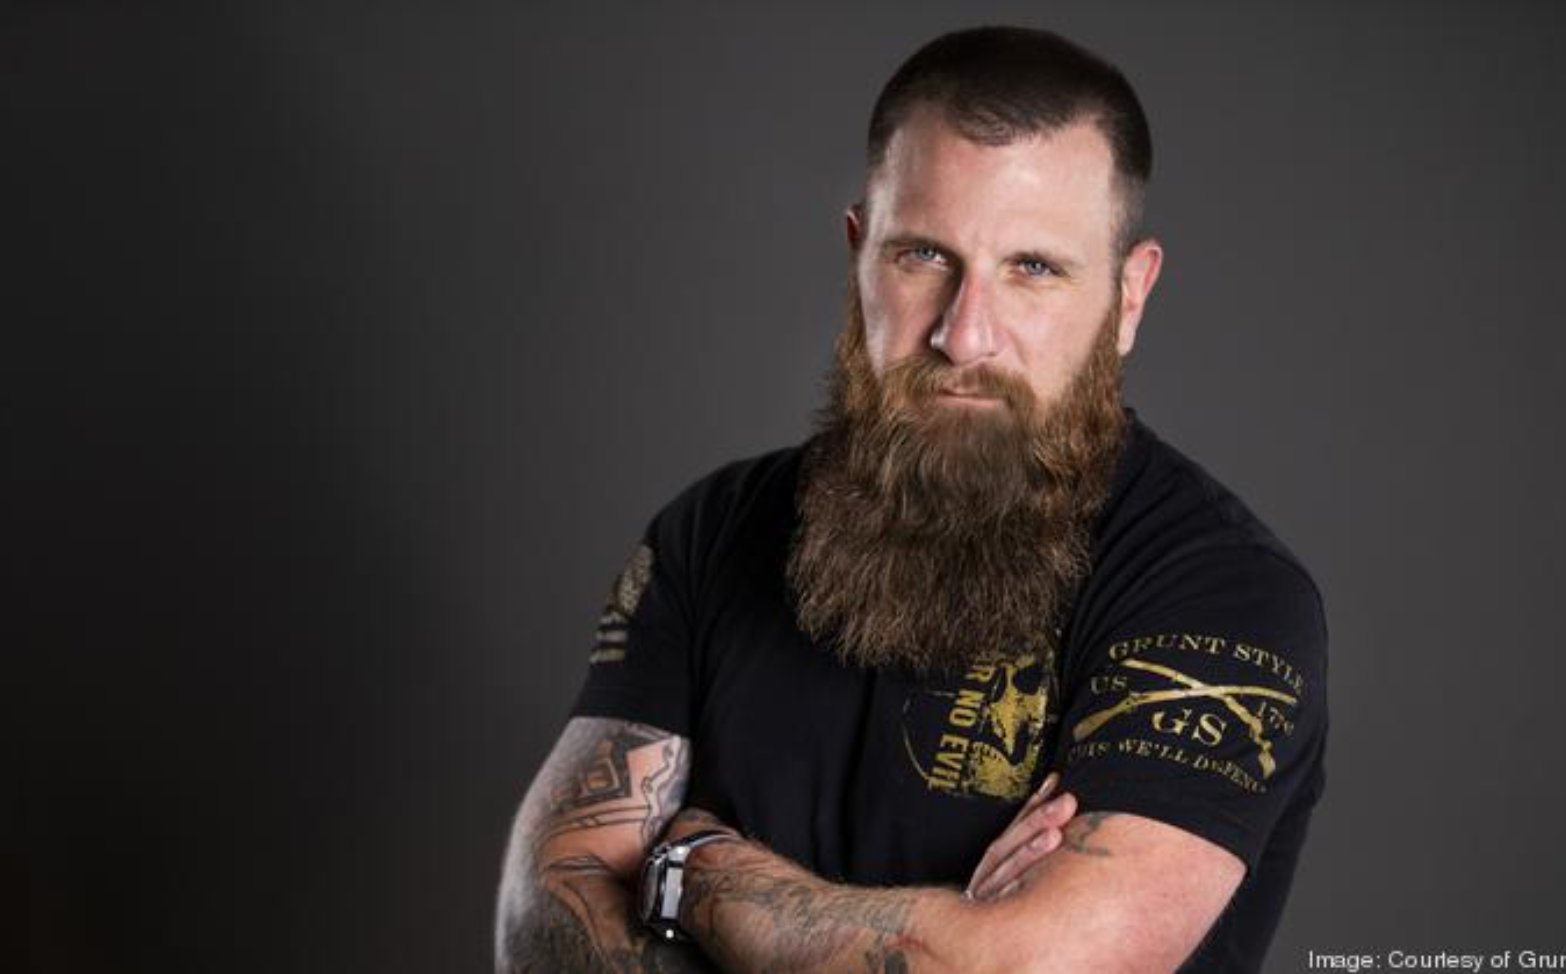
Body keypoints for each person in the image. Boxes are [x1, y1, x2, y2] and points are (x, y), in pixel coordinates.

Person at [495, 25, 1328, 974]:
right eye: (924, 255)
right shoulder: (709, 535)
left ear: (1128, 296)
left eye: (1034, 268)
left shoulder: (1221, 596)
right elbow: (542, 930)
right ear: (860, 254)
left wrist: (696, 869)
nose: (965, 336)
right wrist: (948, 934)